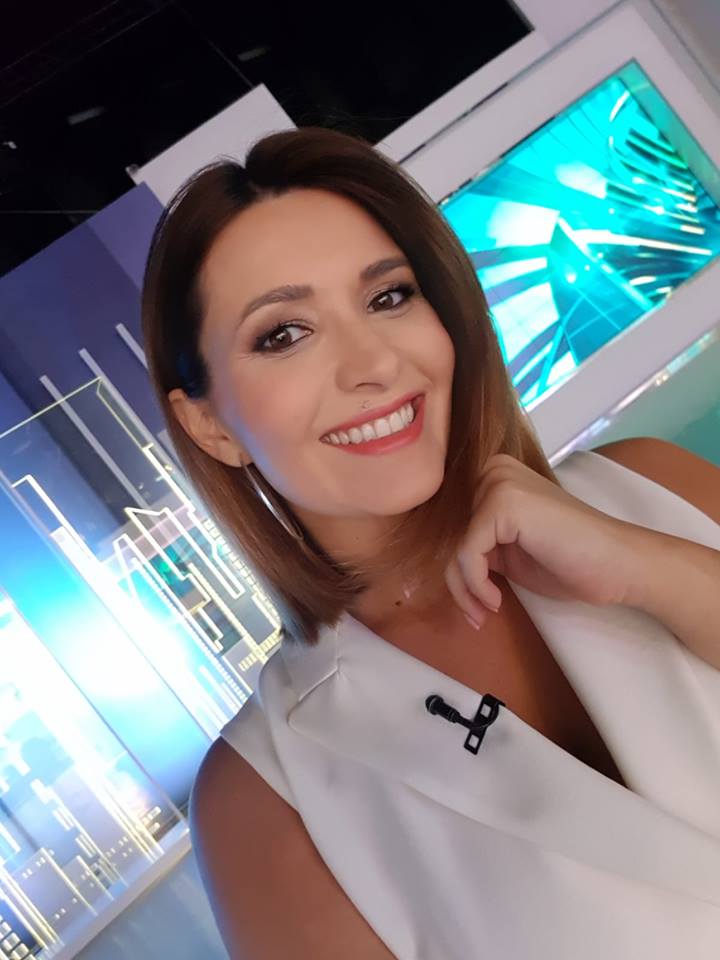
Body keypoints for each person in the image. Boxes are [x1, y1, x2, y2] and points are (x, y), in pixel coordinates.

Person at [141, 126, 720, 959]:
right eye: (284, 334)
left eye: (388, 297)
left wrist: (648, 571)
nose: (371, 363)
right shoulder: (266, 800)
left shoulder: (655, 491)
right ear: (209, 425)